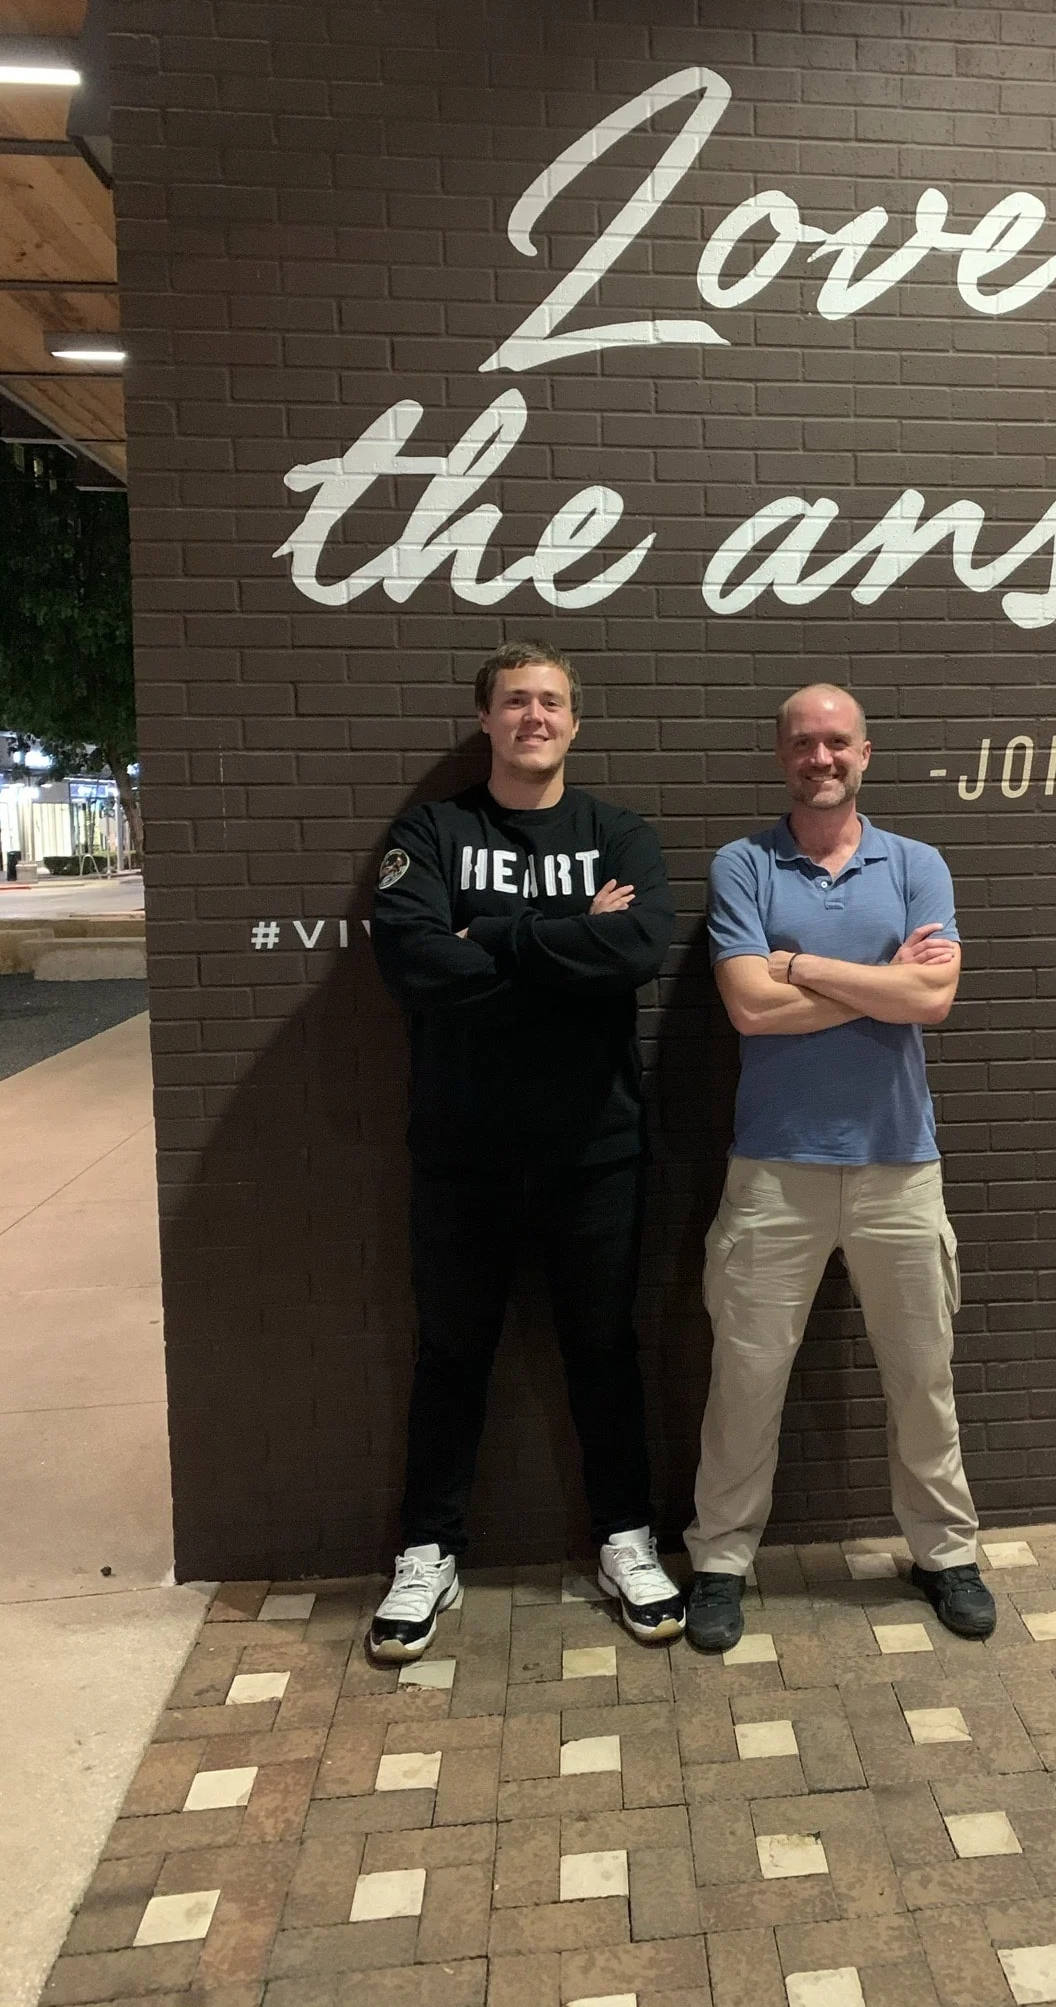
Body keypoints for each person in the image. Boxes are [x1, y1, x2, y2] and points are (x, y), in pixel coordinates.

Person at [367, 641, 684, 1659]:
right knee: (452, 1355)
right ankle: (427, 1549)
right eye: (515, 701)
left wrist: (490, 934)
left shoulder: (618, 833)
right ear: (486, 719)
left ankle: (626, 1539)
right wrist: (560, 939)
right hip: (462, 1154)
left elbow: (634, 951)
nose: (533, 715)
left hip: (596, 1152)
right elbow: (415, 962)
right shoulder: (434, 829)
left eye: (550, 701)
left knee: (604, 1353)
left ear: (574, 723)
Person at [684, 683, 996, 1649]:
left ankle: (945, 1553)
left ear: (866, 753)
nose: (821, 758)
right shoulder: (744, 864)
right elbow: (745, 1007)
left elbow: (935, 1001)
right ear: (783, 756)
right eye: (803, 744)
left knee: (922, 1374)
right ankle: (720, 1562)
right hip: (774, 1170)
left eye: (837, 743)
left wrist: (804, 967)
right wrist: (882, 986)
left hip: (901, 1166)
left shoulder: (917, 864)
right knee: (745, 1375)